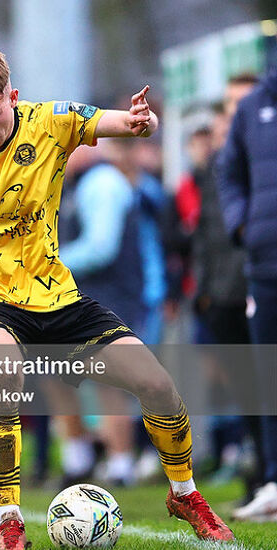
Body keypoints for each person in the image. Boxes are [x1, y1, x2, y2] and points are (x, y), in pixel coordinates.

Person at [0, 47, 233, 549]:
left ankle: (184, 494)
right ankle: (10, 524)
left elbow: (128, 125)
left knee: (158, 385)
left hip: (60, 300)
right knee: (3, 367)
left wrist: (142, 121)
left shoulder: (52, 121)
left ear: (12, 95)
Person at [218, 66, 277, 523]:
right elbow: (230, 173)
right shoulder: (253, 108)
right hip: (263, 265)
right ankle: (272, 481)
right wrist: (243, 224)